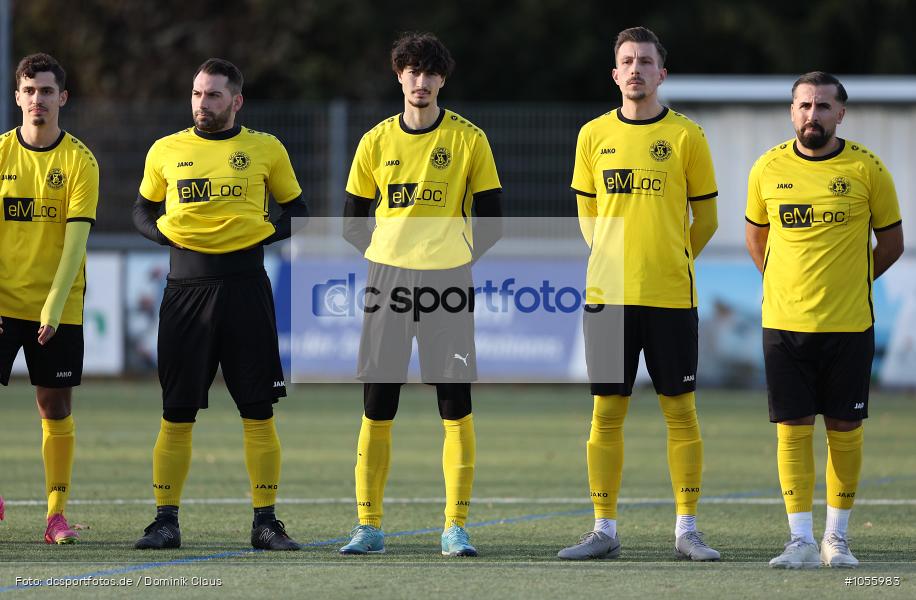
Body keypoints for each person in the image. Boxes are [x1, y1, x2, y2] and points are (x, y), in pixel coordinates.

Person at [131, 58, 308, 551]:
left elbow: (298, 209)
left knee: (257, 411)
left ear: (236, 101)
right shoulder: (166, 150)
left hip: (246, 290)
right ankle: (165, 521)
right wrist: (161, 231)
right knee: (176, 411)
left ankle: (266, 524)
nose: (201, 104)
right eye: (196, 94)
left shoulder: (266, 148)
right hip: (184, 293)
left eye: (212, 95)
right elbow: (143, 208)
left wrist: (265, 234)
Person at [558, 26, 720, 561]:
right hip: (608, 297)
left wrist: (671, 259)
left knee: (681, 411)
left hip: (671, 295)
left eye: (645, 61)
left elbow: (709, 218)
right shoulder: (592, 135)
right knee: (607, 412)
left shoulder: (686, 136)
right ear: (614, 73)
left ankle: (687, 531)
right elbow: (586, 211)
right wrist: (609, 253)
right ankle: (604, 529)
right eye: (626, 61)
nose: (635, 69)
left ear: (661, 73)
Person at [338, 32, 502, 557]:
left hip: (448, 282)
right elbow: (351, 224)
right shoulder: (375, 142)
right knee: (377, 405)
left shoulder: (469, 140)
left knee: (454, 406)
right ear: (399, 76)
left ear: (442, 80)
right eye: (412, 71)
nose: (421, 81)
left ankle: (455, 527)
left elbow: (494, 222)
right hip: (387, 281)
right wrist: (392, 256)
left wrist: (448, 258)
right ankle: (368, 526)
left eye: (431, 73)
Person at [745, 72, 904, 569]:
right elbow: (757, 237)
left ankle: (838, 538)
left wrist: (853, 281)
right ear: (792, 111)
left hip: (849, 325)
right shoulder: (767, 168)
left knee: (844, 428)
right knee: (791, 431)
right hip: (784, 324)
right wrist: (785, 283)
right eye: (804, 106)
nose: (812, 115)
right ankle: (800, 541)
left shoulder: (867, 168)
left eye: (822, 106)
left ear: (841, 114)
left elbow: (892, 244)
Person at [0, 53, 99, 545]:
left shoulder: (80, 162)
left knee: (53, 406)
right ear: (17, 97)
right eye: (29, 90)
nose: (37, 100)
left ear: (62, 97)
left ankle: (54, 516)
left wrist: (54, 308)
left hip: (58, 307)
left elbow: (74, 245)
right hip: (1, 304)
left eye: (46, 91)